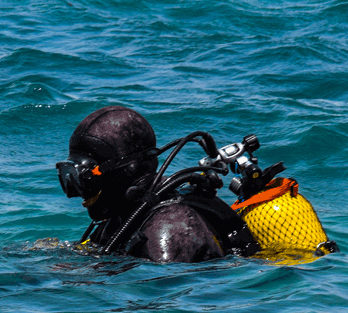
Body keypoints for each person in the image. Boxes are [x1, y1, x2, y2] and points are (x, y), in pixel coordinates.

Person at [56, 106, 255, 263]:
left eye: (88, 176)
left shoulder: (171, 228)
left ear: (128, 169)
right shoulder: (121, 217)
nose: (76, 191)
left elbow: (162, 299)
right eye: (69, 175)